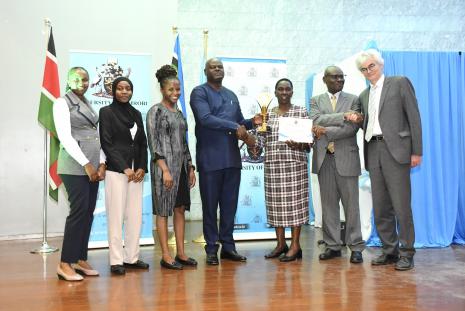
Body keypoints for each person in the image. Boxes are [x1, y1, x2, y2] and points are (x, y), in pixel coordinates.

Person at [354, 49, 422, 271]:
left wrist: (416, 151)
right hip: (373, 149)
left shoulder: (399, 83)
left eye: (371, 66)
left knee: (401, 206)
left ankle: (407, 252)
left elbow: (414, 117)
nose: (368, 71)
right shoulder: (364, 96)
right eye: (364, 69)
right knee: (381, 206)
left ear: (380, 65)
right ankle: (389, 250)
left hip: (397, 151)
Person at [189, 57, 260, 265]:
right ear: (205, 71)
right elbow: (205, 118)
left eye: (220, 67)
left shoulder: (231, 95)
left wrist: (251, 123)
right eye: (213, 67)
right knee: (210, 207)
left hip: (232, 160)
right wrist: (234, 126)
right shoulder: (199, 92)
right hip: (210, 159)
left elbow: (239, 123)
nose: (217, 69)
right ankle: (211, 248)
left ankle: (228, 247)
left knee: (229, 206)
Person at [53, 67, 106, 281]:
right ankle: (65, 263)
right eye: (78, 79)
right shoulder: (61, 103)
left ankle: (80, 258)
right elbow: (65, 137)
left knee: (88, 213)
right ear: (69, 80)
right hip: (74, 167)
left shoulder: (86, 102)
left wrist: (101, 162)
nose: (83, 83)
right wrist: (86, 164)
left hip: (91, 167)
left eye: (86, 80)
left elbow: (96, 136)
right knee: (78, 213)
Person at [310, 66, 365, 264]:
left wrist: (325, 131)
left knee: (352, 206)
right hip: (324, 160)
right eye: (335, 77)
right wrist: (342, 116)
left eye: (342, 77)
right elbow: (315, 120)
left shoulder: (354, 99)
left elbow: (352, 128)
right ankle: (332, 246)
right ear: (325, 79)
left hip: (347, 159)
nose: (340, 80)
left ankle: (356, 247)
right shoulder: (316, 99)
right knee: (328, 206)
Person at [146, 65, 197, 270]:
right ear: (162, 90)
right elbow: (154, 144)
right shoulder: (155, 112)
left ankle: (181, 253)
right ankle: (166, 256)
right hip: (163, 170)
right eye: (171, 90)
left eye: (178, 90)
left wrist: (191, 167)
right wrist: (165, 169)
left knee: (180, 209)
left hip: (181, 169)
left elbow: (184, 143)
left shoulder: (179, 114)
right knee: (163, 211)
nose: (175, 93)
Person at [99, 77, 149, 275]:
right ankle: (116, 261)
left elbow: (142, 144)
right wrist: (124, 167)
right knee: (116, 216)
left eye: (128, 88)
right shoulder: (106, 112)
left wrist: (142, 167)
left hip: (136, 173)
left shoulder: (136, 113)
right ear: (113, 91)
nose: (124, 92)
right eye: (120, 88)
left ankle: (132, 258)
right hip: (117, 172)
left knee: (134, 217)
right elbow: (106, 143)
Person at [259, 78, 310, 262]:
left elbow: (308, 143)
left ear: (292, 92)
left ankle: (295, 245)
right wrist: (252, 138)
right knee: (275, 206)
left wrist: (300, 144)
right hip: (273, 166)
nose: (284, 92)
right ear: (275, 92)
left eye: (287, 89)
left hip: (295, 165)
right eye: (280, 89)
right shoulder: (267, 115)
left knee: (296, 207)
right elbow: (260, 142)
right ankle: (281, 244)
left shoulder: (301, 112)